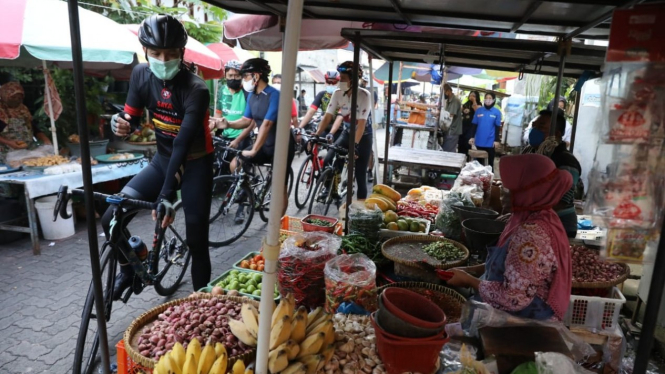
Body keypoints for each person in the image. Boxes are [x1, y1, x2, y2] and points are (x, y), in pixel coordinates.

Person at [107, 14, 213, 297]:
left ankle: (202, 304)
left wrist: (165, 195)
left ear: (182, 52)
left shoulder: (196, 89)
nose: (163, 59)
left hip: (195, 164)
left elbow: (182, 144)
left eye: (171, 54)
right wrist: (120, 124)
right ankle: (129, 269)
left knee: (196, 239)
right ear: (145, 52)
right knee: (110, 219)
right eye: (156, 53)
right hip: (162, 160)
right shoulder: (141, 74)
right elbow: (129, 119)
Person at [447, 154, 573, 321]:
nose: (502, 195)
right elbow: (513, 264)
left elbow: (513, 298)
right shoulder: (536, 215)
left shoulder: (532, 234)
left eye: (508, 190)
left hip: (525, 323)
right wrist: (473, 270)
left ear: (529, 190)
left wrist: (469, 281)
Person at [221, 58, 296, 217]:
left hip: (282, 145)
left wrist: (254, 149)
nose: (243, 80)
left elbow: (267, 124)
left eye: (245, 76)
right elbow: (246, 121)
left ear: (256, 76)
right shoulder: (252, 96)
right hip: (265, 143)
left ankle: (277, 225)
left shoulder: (274, 95)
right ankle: (248, 189)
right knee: (236, 163)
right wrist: (226, 123)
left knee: (279, 186)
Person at [315, 61, 372, 199]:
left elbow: (362, 123)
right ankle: (329, 189)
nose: (341, 81)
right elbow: (328, 116)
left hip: (363, 136)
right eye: (340, 78)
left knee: (359, 174)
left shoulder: (364, 95)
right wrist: (316, 135)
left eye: (344, 79)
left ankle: (360, 209)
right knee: (329, 158)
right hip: (347, 132)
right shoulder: (337, 93)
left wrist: (355, 146)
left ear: (353, 79)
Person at [521, 110, 582, 238]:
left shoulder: (567, 161)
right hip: (534, 219)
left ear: (557, 134)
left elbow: (562, 202)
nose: (535, 130)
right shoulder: (531, 154)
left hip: (560, 225)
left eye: (541, 127)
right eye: (534, 126)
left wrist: (530, 217)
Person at [0, 82, 52, 162]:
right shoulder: (1, 111)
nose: (17, 100)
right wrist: (9, 143)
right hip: (7, 154)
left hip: (27, 152)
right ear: (5, 96)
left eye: (20, 98)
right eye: (13, 97)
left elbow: (34, 128)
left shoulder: (23, 109)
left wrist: (45, 139)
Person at [209, 60, 249, 150]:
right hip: (224, 136)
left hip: (242, 138)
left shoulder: (247, 92)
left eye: (237, 75)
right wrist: (212, 129)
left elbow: (250, 122)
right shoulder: (221, 90)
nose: (233, 78)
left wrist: (238, 140)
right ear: (225, 75)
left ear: (242, 76)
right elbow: (218, 115)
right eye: (230, 75)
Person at [297, 70, 343, 140]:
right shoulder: (322, 95)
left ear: (339, 83)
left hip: (340, 129)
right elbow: (311, 112)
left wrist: (331, 133)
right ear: (325, 82)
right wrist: (299, 128)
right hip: (325, 127)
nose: (331, 84)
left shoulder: (343, 96)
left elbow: (340, 117)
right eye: (328, 82)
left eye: (334, 82)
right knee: (311, 144)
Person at [469, 92, 502, 170]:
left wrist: (496, 140)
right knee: (478, 164)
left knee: (489, 165)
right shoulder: (479, 111)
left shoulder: (497, 112)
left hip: (490, 141)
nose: (488, 100)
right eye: (486, 98)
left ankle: (489, 180)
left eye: (490, 98)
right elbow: (474, 125)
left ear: (494, 100)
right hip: (479, 141)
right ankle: (479, 180)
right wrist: (472, 137)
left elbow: (497, 127)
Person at [458, 90, 481, 157]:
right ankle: (460, 155)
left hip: (471, 126)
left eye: (473, 96)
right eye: (470, 95)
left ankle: (467, 158)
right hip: (463, 125)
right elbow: (461, 110)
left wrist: (474, 101)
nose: (471, 97)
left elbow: (476, 110)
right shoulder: (466, 104)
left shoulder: (478, 104)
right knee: (461, 142)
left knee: (467, 143)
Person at [441, 84, 462, 153]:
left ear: (448, 91)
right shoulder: (449, 101)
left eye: (444, 92)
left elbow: (450, 115)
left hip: (453, 130)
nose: (444, 95)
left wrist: (440, 114)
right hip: (449, 130)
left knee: (448, 152)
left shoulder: (455, 101)